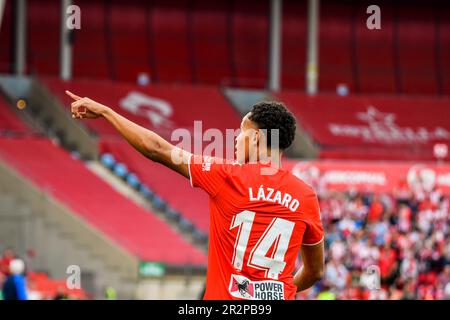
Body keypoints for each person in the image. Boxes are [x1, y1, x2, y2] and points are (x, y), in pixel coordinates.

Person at [66, 91, 325, 300]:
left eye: (241, 132)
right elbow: (315, 271)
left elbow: (157, 149)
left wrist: (106, 111)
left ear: (256, 138)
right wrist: (276, 293)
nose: (236, 139)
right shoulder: (306, 196)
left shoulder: (226, 175)